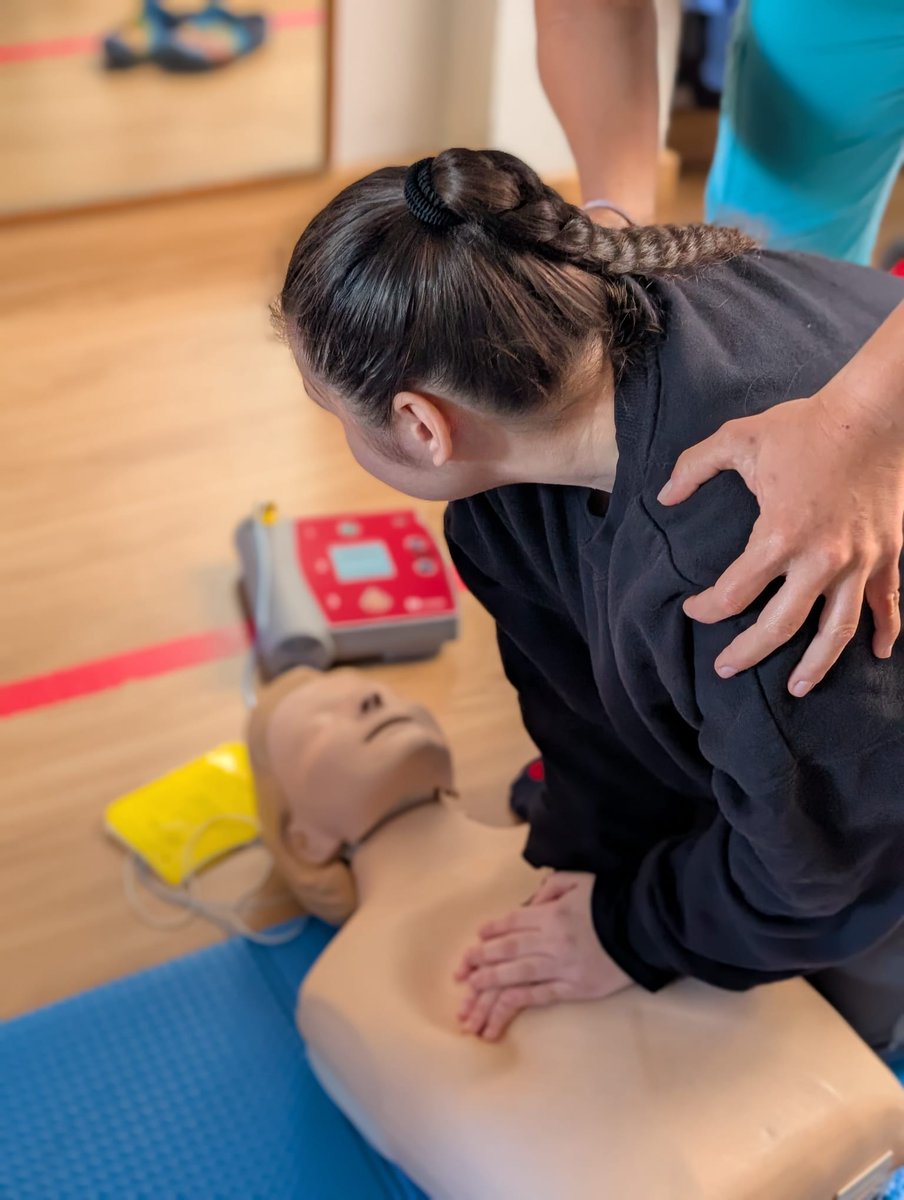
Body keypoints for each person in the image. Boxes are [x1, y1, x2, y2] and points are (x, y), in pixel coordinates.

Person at [275, 149, 904, 1056]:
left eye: (330, 412)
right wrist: (591, 871)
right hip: (819, 748)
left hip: (869, 809)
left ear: (420, 425)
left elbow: (828, 879)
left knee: (848, 997)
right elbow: (579, 707)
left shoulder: (742, 588)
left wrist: (631, 931)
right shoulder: (533, 450)